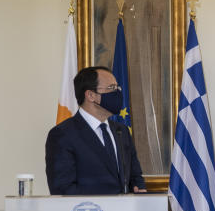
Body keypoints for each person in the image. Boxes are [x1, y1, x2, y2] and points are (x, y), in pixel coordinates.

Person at [46, 66, 147, 195]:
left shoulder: (121, 131)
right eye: (111, 88)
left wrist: (139, 191)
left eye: (117, 88)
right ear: (91, 95)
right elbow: (63, 189)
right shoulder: (62, 134)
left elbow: (135, 176)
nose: (117, 93)